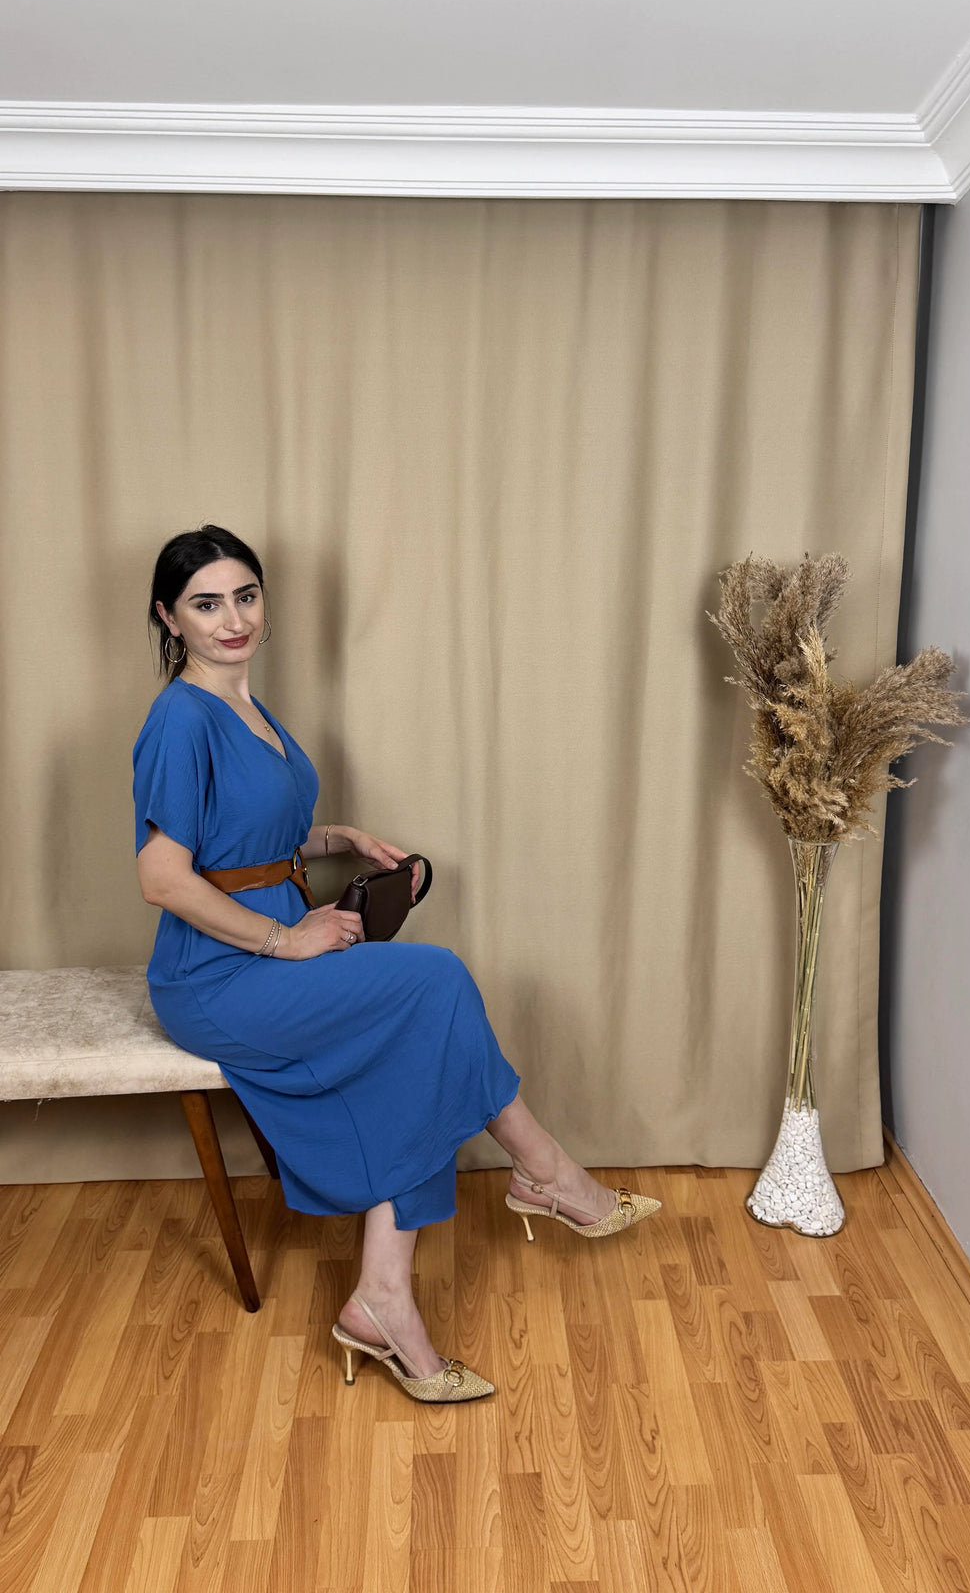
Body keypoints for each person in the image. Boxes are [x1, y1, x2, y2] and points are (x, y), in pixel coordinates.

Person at [134, 524, 659, 1403]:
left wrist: (338, 838)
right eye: (207, 603)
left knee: (419, 1043)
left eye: (246, 596)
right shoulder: (180, 719)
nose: (233, 620)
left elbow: (241, 834)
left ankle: (383, 1296)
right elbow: (162, 877)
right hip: (214, 977)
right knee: (434, 981)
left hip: (270, 950)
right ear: (169, 617)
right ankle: (545, 1172)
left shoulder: (246, 708)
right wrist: (284, 940)